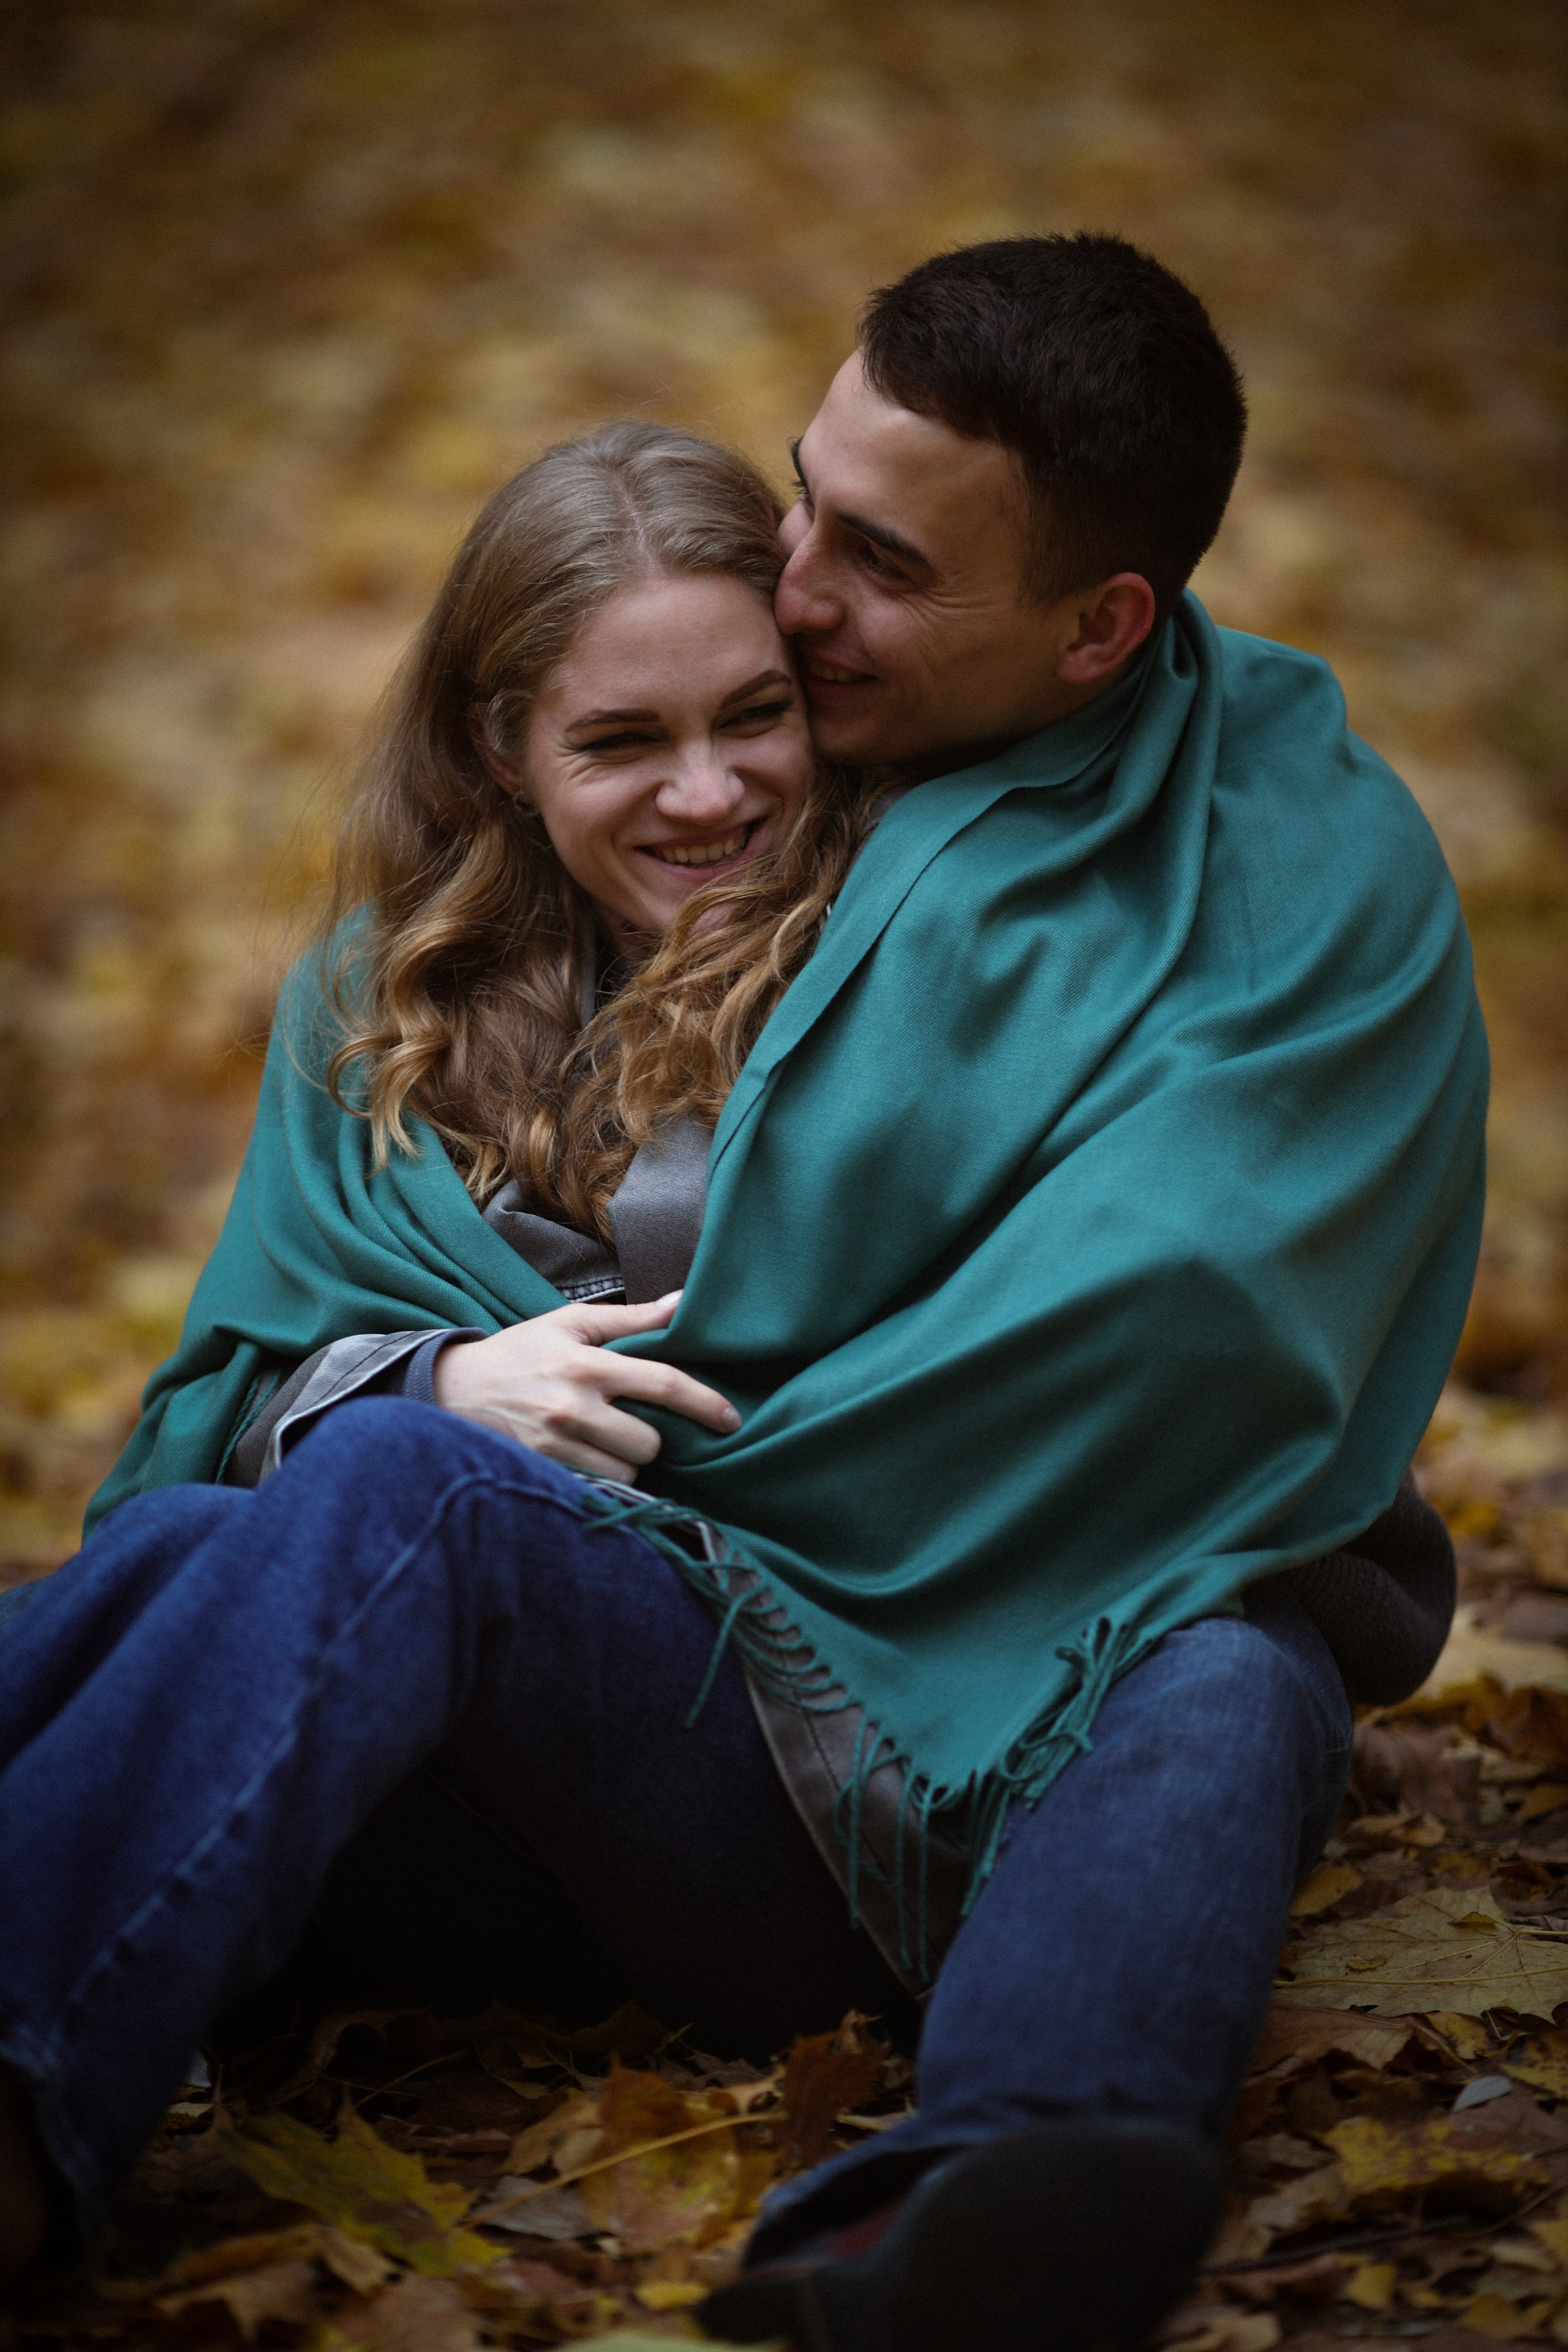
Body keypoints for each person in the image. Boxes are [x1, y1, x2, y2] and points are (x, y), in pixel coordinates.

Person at [0, 235, 1485, 2352]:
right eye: (806, 502)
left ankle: (1010, 2201)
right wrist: (429, 1383)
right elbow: (201, 1425)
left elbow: (1189, 1348)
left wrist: (519, 1464)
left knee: (1227, 1649)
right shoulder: (393, 996)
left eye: (865, 577)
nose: (798, 600)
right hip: (536, 1753)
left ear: (1093, 628)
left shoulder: (1033, 874)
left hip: (967, 1746)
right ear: (504, 746)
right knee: (307, 1514)